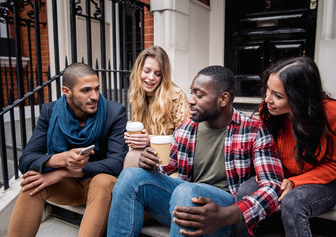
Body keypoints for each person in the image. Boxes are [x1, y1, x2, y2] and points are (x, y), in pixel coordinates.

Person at [107, 65, 284, 237]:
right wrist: (150, 164)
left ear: (223, 99)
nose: (190, 100)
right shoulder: (186, 129)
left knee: (187, 192)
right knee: (131, 176)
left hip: (223, 214)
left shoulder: (254, 131)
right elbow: (166, 169)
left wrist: (229, 214)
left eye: (199, 95)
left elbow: (272, 186)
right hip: (185, 208)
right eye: (191, 93)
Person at [7, 63, 128, 237]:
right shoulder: (50, 112)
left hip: (100, 188)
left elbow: (117, 163)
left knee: (102, 181)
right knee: (31, 184)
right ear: (66, 91)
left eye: (96, 88)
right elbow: (26, 160)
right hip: (70, 189)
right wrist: (60, 159)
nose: (94, 96)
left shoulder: (114, 112)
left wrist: (64, 172)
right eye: (85, 90)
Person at [257, 56, 336, 236]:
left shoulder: (332, 114)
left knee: (293, 202)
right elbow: (263, 152)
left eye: (278, 95)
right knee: (245, 191)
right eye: (268, 89)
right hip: (278, 175)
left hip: (320, 183)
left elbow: (335, 164)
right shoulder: (269, 110)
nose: (267, 99)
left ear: (300, 96)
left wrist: (295, 182)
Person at [123, 45, 189, 168]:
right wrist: (134, 139)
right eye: (147, 71)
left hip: (172, 159)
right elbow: (140, 138)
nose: (151, 77)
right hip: (148, 155)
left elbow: (185, 138)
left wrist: (149, 139)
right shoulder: (137, 95)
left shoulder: (176, 95)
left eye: (158, 74)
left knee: (132, 158)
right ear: (139, 70)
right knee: (131, 156)